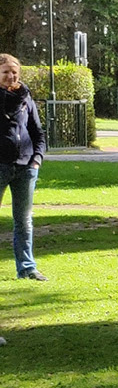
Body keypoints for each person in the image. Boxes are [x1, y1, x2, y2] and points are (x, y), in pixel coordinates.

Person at [0, 53, 47, 281]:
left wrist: (36, 159)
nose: (11, 76)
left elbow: (38, 132)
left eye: (14, 71)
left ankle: (27, 268)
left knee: (24, 221)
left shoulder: (26, 98)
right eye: (6, 72)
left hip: (26, 167)